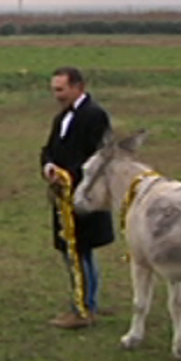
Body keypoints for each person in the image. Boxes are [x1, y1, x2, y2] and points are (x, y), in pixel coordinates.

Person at [39, 65, 115, 329]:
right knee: (75, 251)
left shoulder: (95, 116)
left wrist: (69, 175)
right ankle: (84, 302)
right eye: (54, 90)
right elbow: (49, 149)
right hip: (64, 196)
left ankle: (84, 309)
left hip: (84, 197)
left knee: (80, 250)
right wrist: (49, 167)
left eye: (60, 90)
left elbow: (100, 158)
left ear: (77, 87)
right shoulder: (61, 118)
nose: (56, 95)